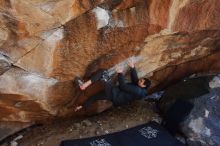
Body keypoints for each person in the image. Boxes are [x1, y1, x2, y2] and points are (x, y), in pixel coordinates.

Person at [74, 59, 151, 111]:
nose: (139, 80)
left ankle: (83, 85)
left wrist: (120, 73)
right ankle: (83, 107)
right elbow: (135, 80)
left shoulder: (138, 91)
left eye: (141, 81)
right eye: (141, 79)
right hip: (113, 96)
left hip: (114, 93)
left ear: (143, 86)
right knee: (94, 97)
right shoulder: (140, 88)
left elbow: (123, 87)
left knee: (103, 72)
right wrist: (133, 68)